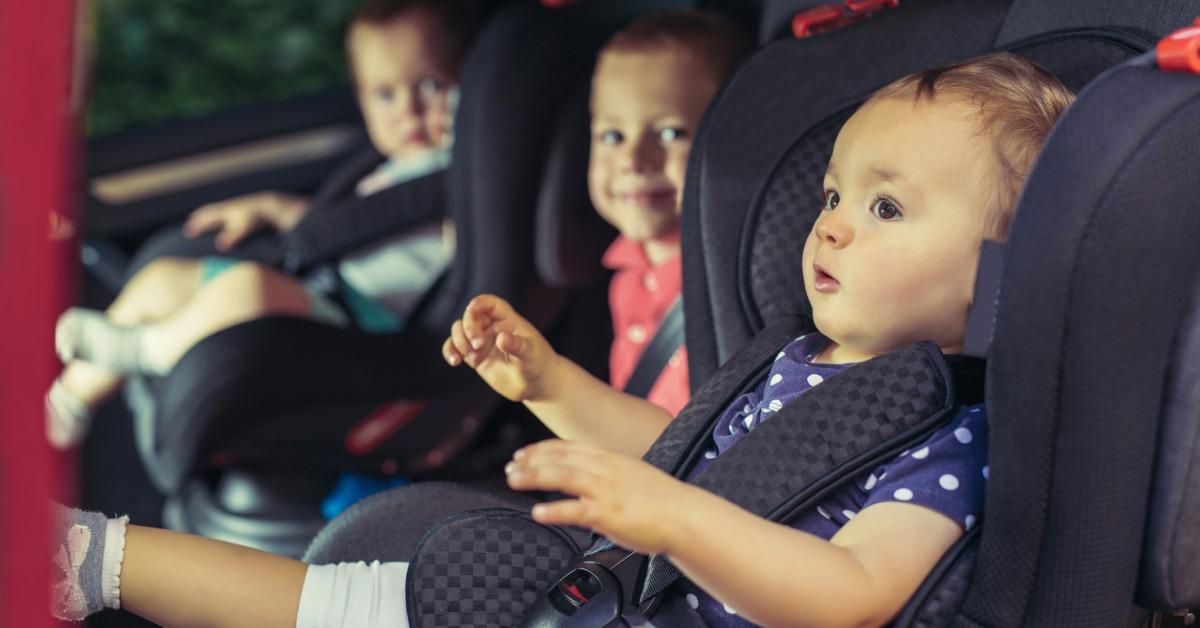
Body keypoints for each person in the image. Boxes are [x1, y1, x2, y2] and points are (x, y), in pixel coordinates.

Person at [49, 52, 1074, 628]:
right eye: (835, 194)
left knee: (352, 609)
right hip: (618, 591)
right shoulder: (792, 360)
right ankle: (91, 557)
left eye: (888, 209)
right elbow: (670, 449)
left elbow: (850, 597)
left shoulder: (953, 443)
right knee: (344, 602)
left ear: (1008, 266)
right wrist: (543, 380)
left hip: (649, 597)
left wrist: (673, 521)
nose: (835, 221)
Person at [45, 0, 476, 450]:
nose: (408, 110)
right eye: (386, 94)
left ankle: (141, 350)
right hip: (323, 287)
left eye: (431, 85)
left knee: (249, 286)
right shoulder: (386, 170)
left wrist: (467, 152)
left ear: (470, 88)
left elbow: (471, 242)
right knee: (160, 280)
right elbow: (348, 226)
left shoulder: (465, 172)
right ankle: (68, 401)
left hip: (366, 325)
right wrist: (271, 206)